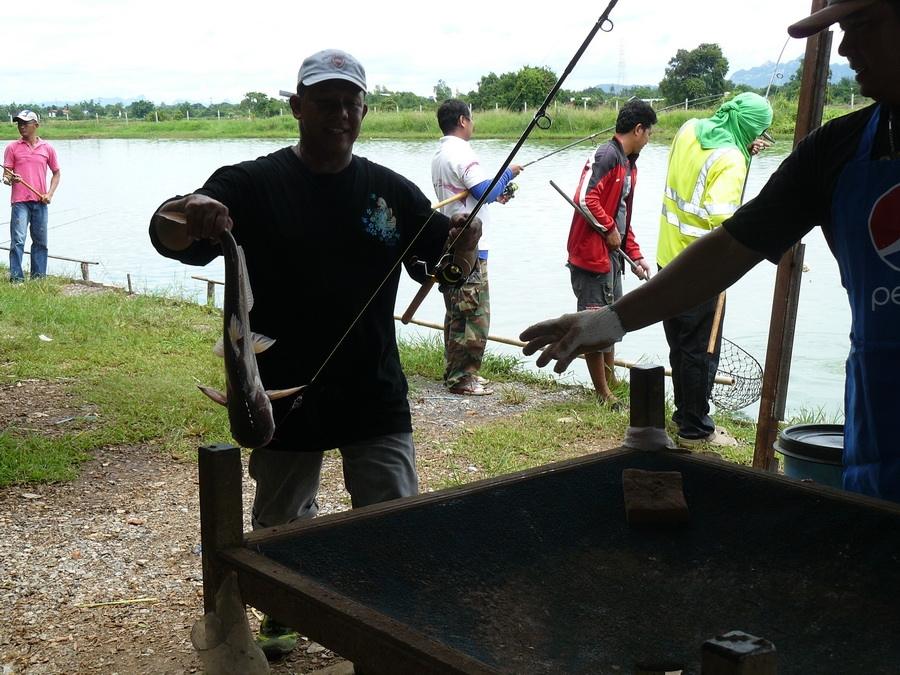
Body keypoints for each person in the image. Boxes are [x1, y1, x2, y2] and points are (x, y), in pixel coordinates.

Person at [148, 49, 481, 658]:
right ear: (297, 106)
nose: (340, 114)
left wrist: (466, 243)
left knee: (391, 511)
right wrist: (185, 211)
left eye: (351, 103)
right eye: (325, 102)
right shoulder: (248, 184)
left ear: (364, 110)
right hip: (275, 389)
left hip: (374, 387)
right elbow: (167, 234)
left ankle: (390, 614)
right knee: (280, 518)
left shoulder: (392, 191)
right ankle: (281, 610)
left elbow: (445, 271)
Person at [520, 0, 900, 502]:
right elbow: (729, 245)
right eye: (843, 30)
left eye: (863, 25)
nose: (847, 48)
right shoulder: (836, 151)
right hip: (878, 445)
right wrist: (611, 320)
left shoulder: (695, 136)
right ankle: (695, 422)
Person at [656, 92, 772, 446]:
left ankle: (682, 412)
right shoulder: (732, 159)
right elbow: (723, 218)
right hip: (701, 270)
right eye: (760, 131)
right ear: (749, 127)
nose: (760, 138)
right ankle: (695, 426)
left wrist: (743, 154)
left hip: (667, 258)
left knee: (679, 344)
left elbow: (695, 175)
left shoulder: (689, 129)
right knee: (701, 351)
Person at [565, 99, 655, 404]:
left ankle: (612, 380)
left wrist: (636, 254)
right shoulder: (607, 156)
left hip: (612, 256)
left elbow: (621, 217)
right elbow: (585, 199)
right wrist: (607, 229)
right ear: (638, 129)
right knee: (596, 323)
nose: (649, 139)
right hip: (591, 256)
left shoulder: (629, 163)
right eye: (649, 133)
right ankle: (602, 392)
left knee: (614, 320)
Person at [431, 99, 522, 395]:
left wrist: (498, 194)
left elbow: (476, 194)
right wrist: (508, 173)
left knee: (457, 311)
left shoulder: (440, 153)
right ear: (462, 120)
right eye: (471, 118)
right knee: (474, 314)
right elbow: (483, 189)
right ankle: (463, 378)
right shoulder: (461, 151)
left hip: (449, 243)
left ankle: (456, 372)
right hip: (469, 246)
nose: (473, 123)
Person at [2, 110, 61, 283]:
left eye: (25, 123)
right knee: (18, 240)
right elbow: (6, 176)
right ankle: (16, 279)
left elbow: (56, 173)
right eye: (19, 123)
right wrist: (11, 178)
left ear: (36, 125)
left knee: (40, 242)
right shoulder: (12, 148)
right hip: (20, 202)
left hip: (40, 201)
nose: (21, 127)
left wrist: (49, 194)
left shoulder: (47, 148)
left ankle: (38, 279)